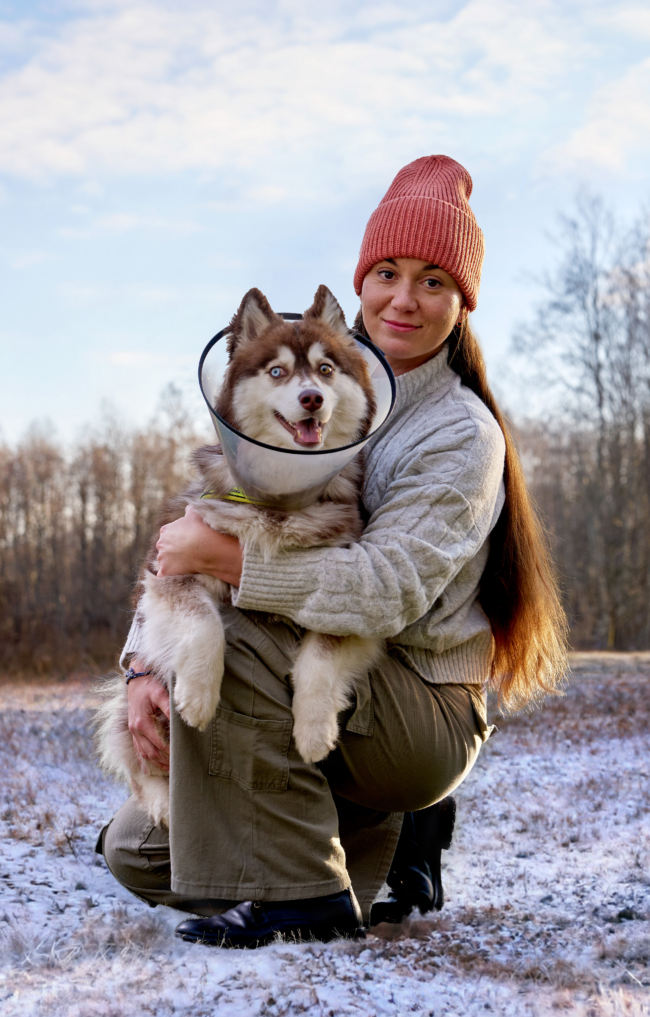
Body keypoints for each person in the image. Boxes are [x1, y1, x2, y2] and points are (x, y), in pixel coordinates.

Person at [97, 154, 567, 947]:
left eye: (433, 281)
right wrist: (144, 666)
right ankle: (365, 837)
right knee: (137, 851)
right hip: (308, 685)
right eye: (387, 273)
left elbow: (384, 590)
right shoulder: (308, 381)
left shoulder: (459, 434)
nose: (404, 299)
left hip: (412, 700)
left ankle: (309, 899)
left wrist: (228, 563)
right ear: (361, 282)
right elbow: (192, 541)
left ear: (462, 303)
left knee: (236, 635)